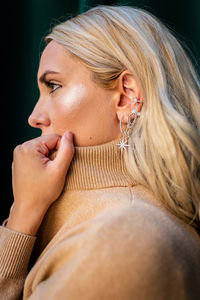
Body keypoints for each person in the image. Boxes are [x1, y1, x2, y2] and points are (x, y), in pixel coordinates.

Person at [0, 5, 200, 300]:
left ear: (126, 95)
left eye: (54, 86)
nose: (34, 117)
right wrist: (23, 215)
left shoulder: (125, 241)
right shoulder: (110, 222)